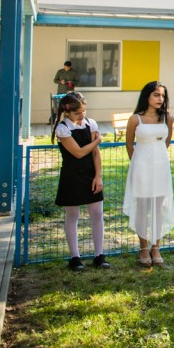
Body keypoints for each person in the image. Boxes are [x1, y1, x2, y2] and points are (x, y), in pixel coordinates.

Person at [52, 92, 108, 271]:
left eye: (84, 111)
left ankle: (99, 255)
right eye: (78, 113)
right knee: (72, 215)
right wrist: (98, 140)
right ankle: (75, 257)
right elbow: (78, 152)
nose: (82, 115)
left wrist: (98, 176)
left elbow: (95, 154)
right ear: (67, 112)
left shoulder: (91, 124)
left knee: (97, 214)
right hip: (72, 176)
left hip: (91, 174)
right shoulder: (62, 129)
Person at [123, 81, 174, 267]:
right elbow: (129, 144)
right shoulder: (135, 119)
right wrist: (138, 164)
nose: (160, 99)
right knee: (142, 207)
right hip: (141, 166)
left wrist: (157, 156)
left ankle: (156, 246)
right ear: (147, 96)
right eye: (156, 95)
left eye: (162, 95)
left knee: (158, 207)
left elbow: (167, 142)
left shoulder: (168, 118)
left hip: (161, 166)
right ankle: (143, 247)